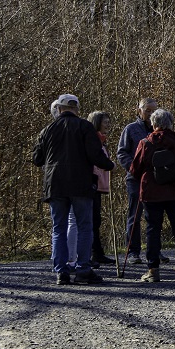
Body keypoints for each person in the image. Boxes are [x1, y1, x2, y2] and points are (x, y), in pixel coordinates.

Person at [32, 94, 115, 286]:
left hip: (55, 184)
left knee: (59, 228)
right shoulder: (85, 127)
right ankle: (83, 269)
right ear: (76, 109)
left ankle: (61, 271)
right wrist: (109, 165)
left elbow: (37, 158)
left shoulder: (47, 130)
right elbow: (95, 155)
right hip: (81, 183)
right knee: (85, 226)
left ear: (59, 109)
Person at [129, 109, 175, 282]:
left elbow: (135, 170)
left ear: (153, 124)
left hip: (152, 193)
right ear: (170, 123)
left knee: (152, 230)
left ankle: (153, 270)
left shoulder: (145, 143)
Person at [118, 98, 167, 265]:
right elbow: (122, 153)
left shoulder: (160, 130)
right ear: (139, 111)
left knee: (155, 216)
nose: (151, 114)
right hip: (136, 179)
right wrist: (134, 169)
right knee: (135, 216)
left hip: (156, 179)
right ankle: (133, 252)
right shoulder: (131, 129)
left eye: (154, 110)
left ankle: (154, 251)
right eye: (148, 110)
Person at [65, 111, 114, 267]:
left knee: (95, 220)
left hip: (98, 185)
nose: (108, 125)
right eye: (105, 122)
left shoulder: (101, 140)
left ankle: (96, 252)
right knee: (88, 221)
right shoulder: (91, 140)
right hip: (91, 184)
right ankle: (89, 254)